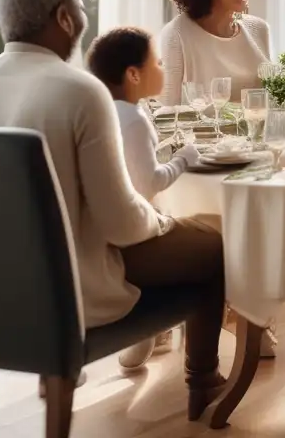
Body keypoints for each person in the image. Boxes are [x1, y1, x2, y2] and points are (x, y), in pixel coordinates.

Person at [0, 0, 227, 421]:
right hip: (72, 294)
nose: (84, 14)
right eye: (79, 4)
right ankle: (203, 380)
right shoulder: (79, 90)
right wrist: (168, 221)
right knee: (212, 247)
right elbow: (124, 224)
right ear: (64, 17)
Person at [86, 26, 201, 370]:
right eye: (159, 63)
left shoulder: (107, 113)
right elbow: (149, 182)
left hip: (105, 227)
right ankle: (187, 353)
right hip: (137, 229)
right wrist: (184, 158)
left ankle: (147, 341)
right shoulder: (135, 120)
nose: (164, 70)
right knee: (204, 240)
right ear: (134, 74)